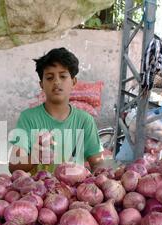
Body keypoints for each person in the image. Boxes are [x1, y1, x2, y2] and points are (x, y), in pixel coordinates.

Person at [8, 47, 107, 175]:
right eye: (49, 78)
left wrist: (99, 177)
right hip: (37, 192)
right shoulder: (28, 118)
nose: (56, 82)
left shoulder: (85, 120)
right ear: (41, 84)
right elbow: (13, 167)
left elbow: (97, 162)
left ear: (73, 81)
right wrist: (34, 157)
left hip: (73, 193)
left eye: (63, 76)